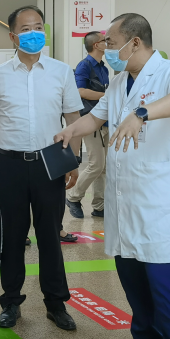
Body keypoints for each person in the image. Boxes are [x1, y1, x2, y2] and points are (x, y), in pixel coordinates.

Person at [55, 13, 170, 339]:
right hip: (125, 202)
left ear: (135, 42)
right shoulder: (119, 81)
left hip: (158, 202)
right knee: (133, 280)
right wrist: (70, 130)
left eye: (111, 41)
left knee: (166, 286)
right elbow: (95, 119)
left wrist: (142, 113)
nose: (107, 48)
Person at [0, 6, 83, 332]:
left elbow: (73, 118)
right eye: (25, 29)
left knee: (50, 235)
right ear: (12, 36)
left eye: (38, 27)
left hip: (49, 164)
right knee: (12, 236)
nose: (33, 33)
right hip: (9, 165)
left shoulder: (61, 71)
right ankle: (11, 302)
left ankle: (56, 303)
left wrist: (73, 160)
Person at [66, 31, 110, 220]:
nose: (108, 44)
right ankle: (73, 197)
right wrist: (106, 96)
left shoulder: (104, 68)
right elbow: (80, 91)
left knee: (104, 167)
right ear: (96, 45)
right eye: (105, 41)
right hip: (91, 120)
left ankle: (99, 206)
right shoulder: (84, 66)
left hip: (106, 120)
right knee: (96, 164)